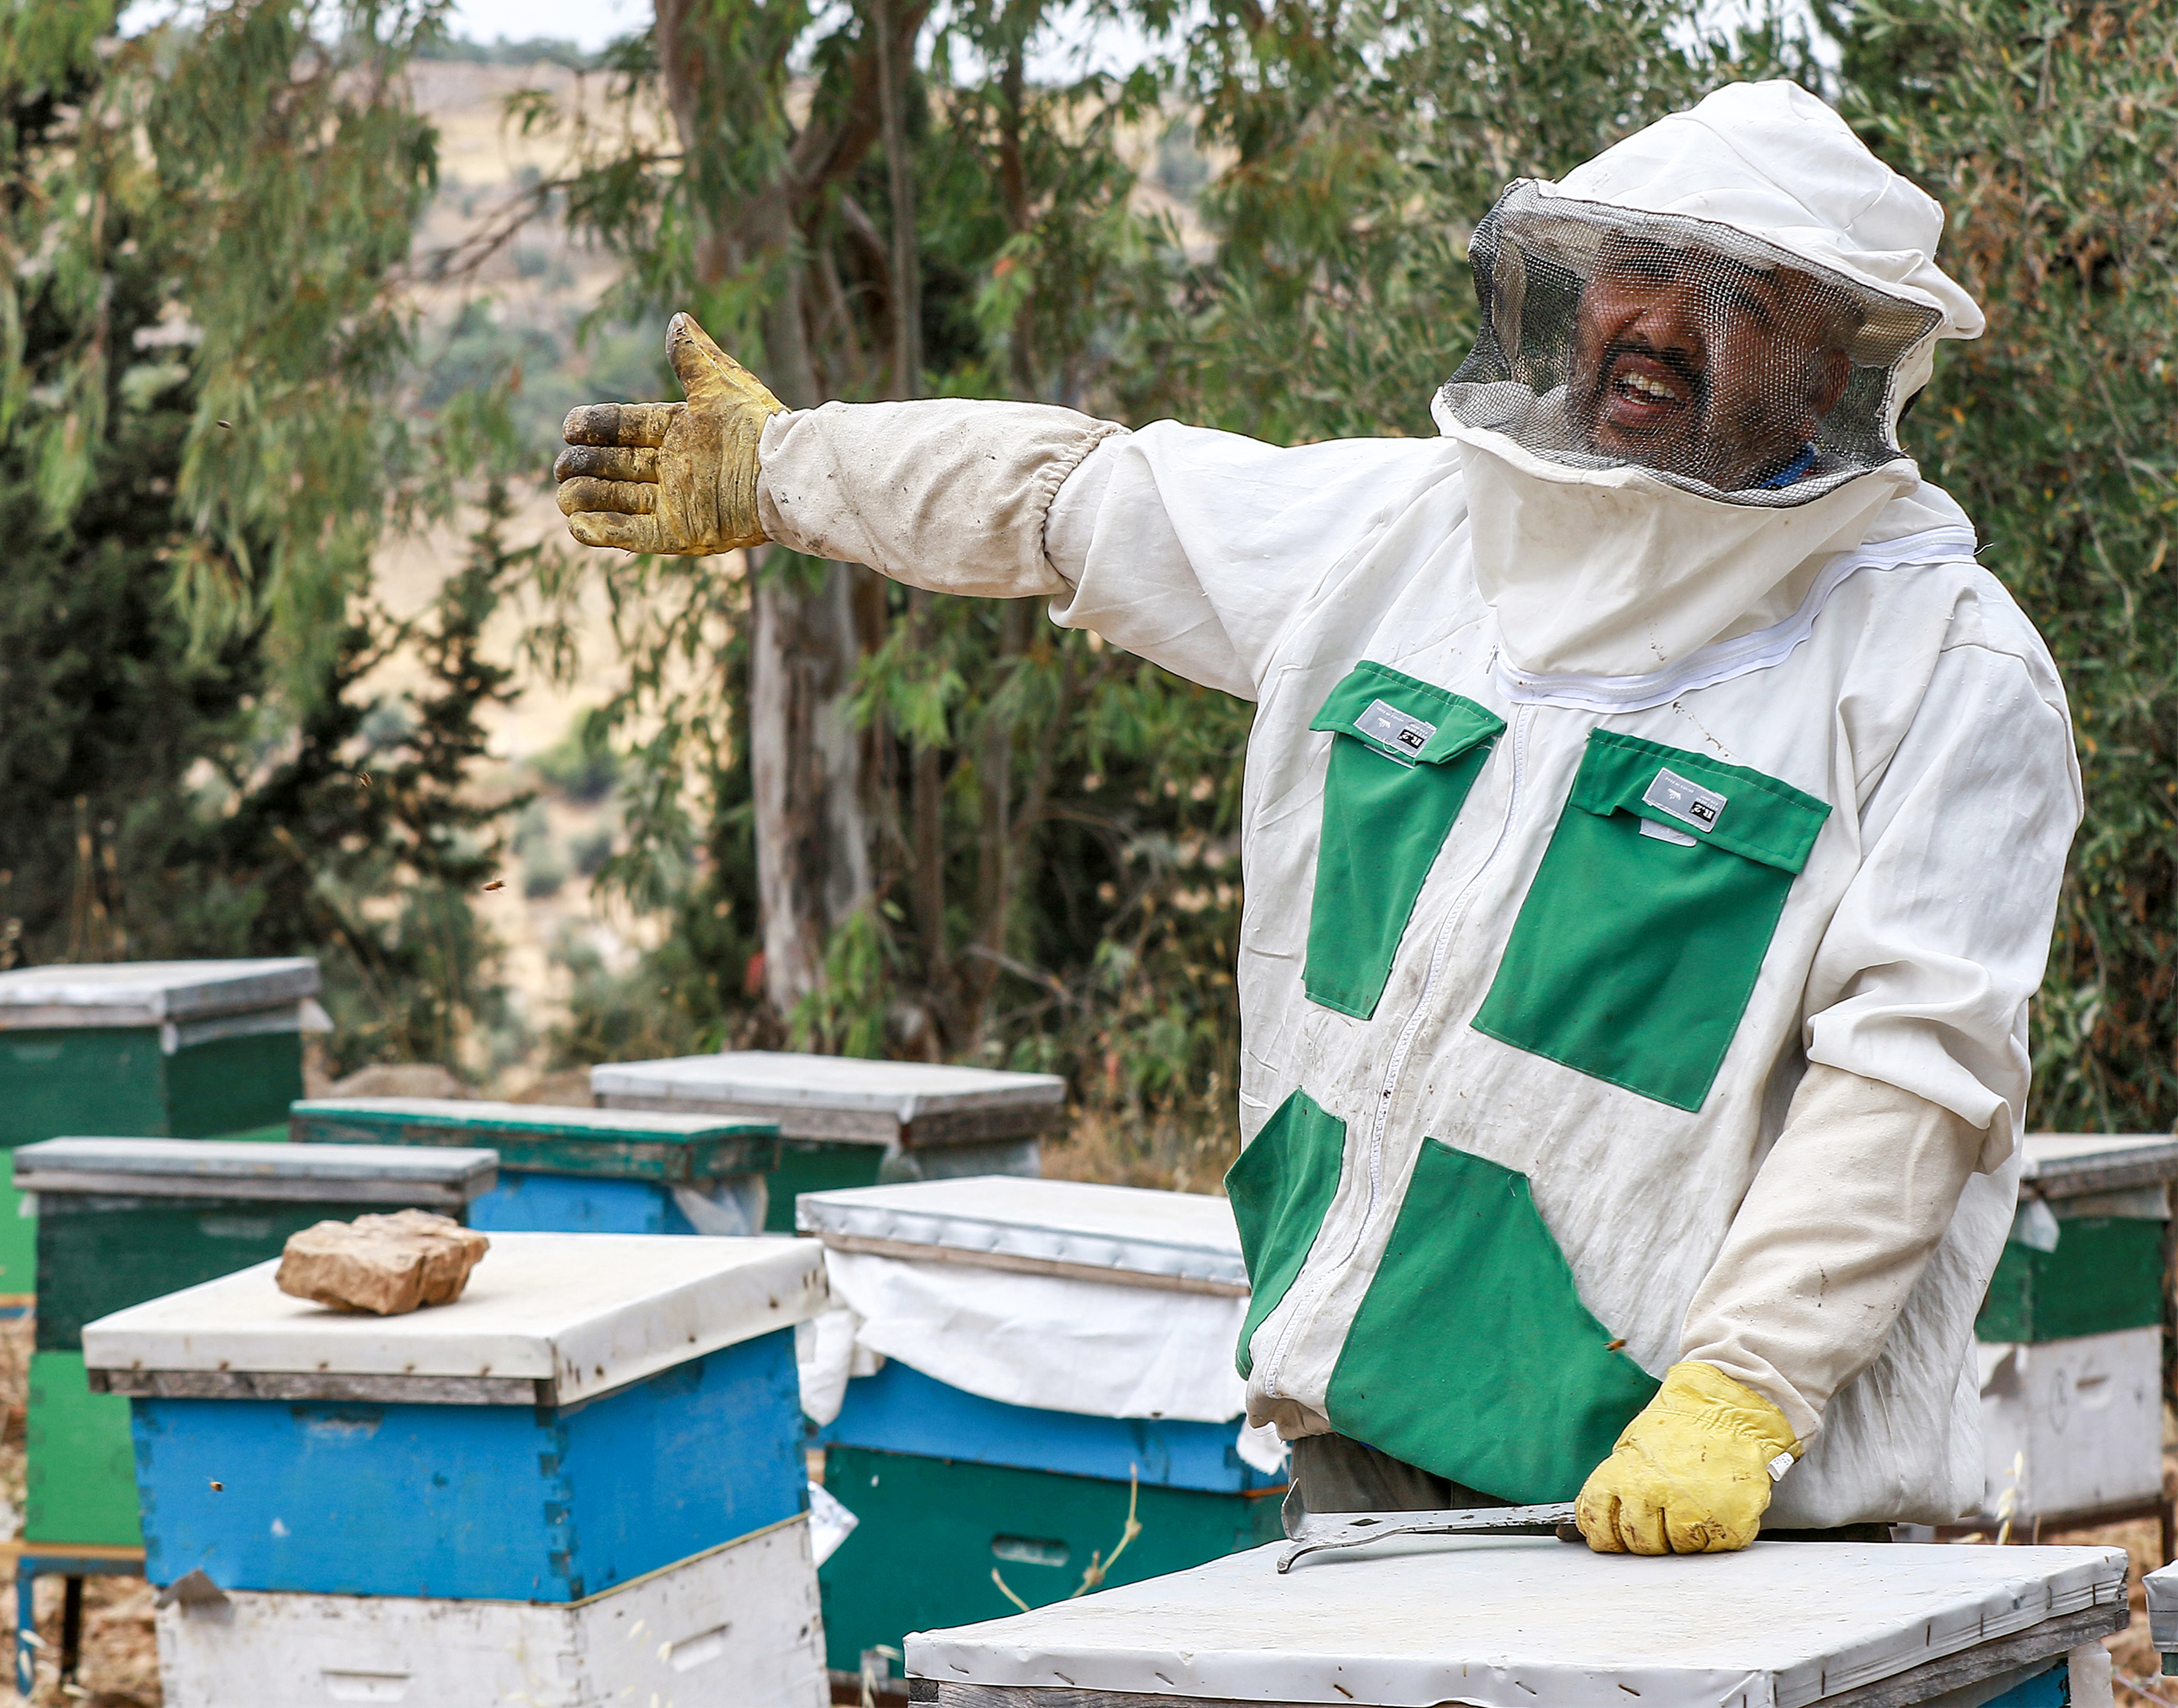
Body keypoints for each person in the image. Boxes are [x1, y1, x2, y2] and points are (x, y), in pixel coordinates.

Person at [554, 81, 2080, 1555]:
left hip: (1713, 1510)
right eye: (1636, 270)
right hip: (1368, 1453)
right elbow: (1083, 498)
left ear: (1834, 359)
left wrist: (1745, 1390)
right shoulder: (1413, 537)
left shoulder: (1944, 667)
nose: (1660, 326)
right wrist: (787, 467)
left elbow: (1915, 1065)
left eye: (1736, 298)